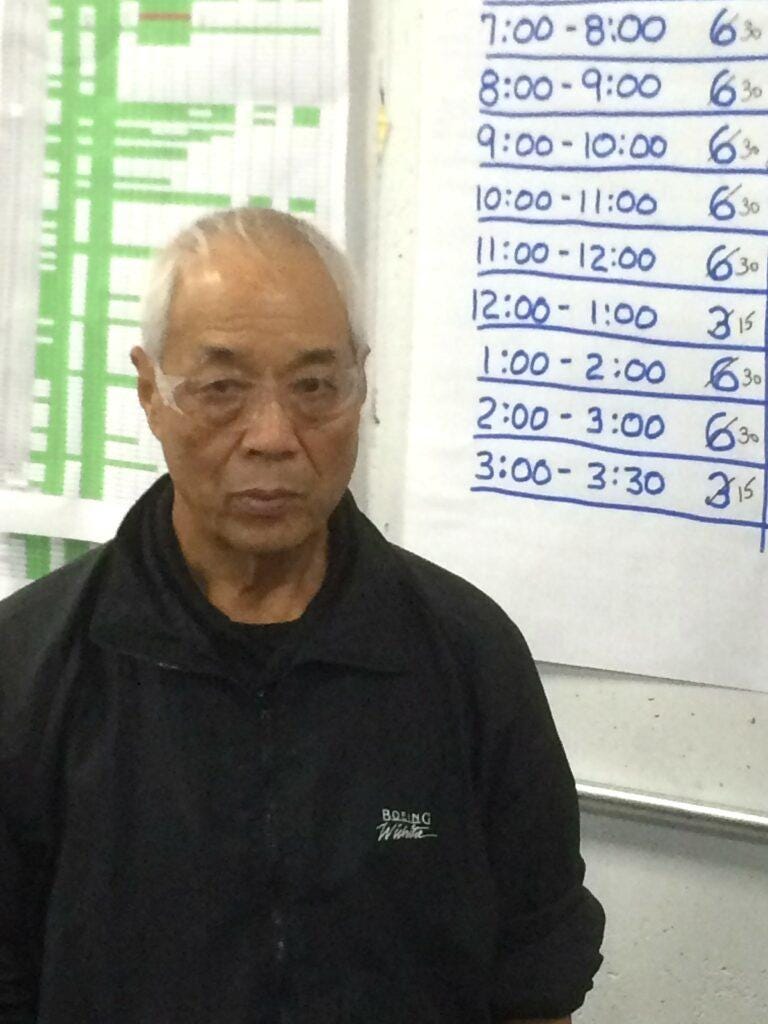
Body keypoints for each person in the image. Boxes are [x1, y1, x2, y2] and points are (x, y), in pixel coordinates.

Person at [0, 208, 605, 1024]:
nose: (273, 436)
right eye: (222, 389)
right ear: (151, 392)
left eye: (315, 387)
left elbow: (536, 975)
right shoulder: (30, 667)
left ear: (360, 385)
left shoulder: (467, 656)